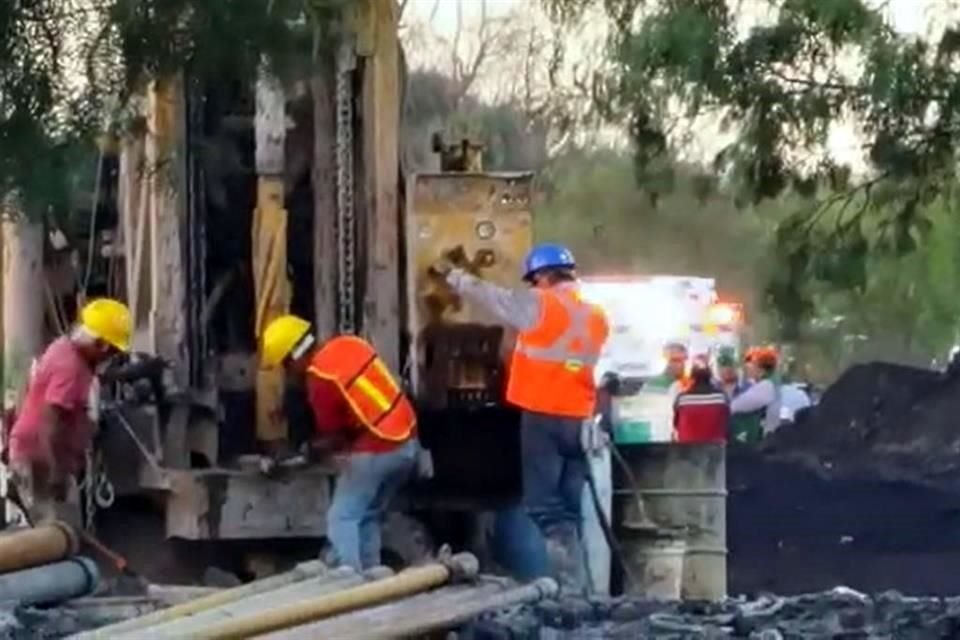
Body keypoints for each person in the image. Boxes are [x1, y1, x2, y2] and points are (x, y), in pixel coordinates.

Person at [431, 243, 610, 592]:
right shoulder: (596, 315)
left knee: (544, 507)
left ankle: (570, 591)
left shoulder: (541, 303)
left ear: (542, 276)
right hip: (578, 419)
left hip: (544, 417)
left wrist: (452, 275)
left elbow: (493, 298)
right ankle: (585, 592)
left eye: (533, 280)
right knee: (570, 510)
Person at [260, 315, 419, 571]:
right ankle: (372, 578)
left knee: (342, 517)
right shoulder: (349, 344)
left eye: (285, 367)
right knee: (367, 515)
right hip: (408, 444)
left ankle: (347, 581)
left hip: (379, 447)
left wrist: (308, 451)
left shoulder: (319, 378)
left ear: (294, 356)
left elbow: (333, 436)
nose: (288, 375)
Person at [8, 298, 132, 524]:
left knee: (59, 531)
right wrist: (55, 473)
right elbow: (50, 420)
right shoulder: (71, 368)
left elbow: (85, 380)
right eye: (112, 352)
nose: (111, 357)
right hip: (40, 462)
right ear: (100, 344)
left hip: (38, 456)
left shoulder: (65, 348)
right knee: (52, 535)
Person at [729, 346, 781, 443]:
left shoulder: (766, 386)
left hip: (767, 440)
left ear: (761, 370)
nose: (749, 370)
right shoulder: (773, 382)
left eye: (752, 367)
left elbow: (735, 406)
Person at [673, 356, 729, 443]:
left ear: (692, 375)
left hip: (688, 450)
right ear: (710, 374)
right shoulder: (721, 397)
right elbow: (727, 422)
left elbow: (675, 424)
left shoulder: (682, 399)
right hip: (715, 450)